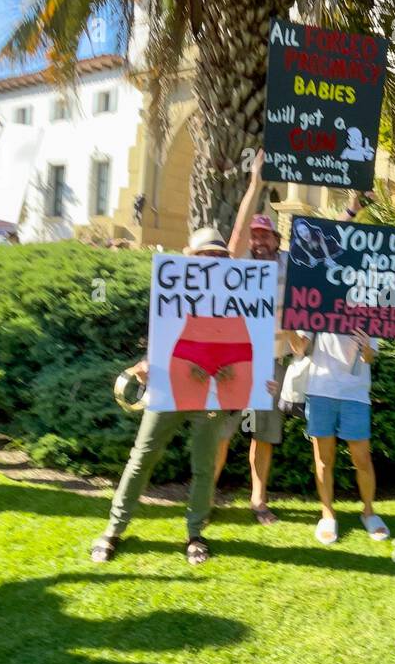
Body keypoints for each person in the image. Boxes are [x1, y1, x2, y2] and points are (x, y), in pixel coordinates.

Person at [91, 227, 240, 566]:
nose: (213, 260)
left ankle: (195, 534)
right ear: (192, 256)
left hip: (210, 392)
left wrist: (242, 374)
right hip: (170, 386)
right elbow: (162, 335)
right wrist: (146, 364)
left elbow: (240, 346)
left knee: (204, 466)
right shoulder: (172, 286)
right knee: (141, 457)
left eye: (219, 255)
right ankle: (113, 529)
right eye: (207, 254)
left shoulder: (235, 298)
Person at [217, 151, 294, 526]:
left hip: (273, 362)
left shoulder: (289, 265)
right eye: (255, 235)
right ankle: (206, 495)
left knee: (263, 435)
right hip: (235, 361)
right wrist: (255, 183)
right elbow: (234, 236)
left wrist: (350, 215)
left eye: (266, 235)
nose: (260, 240)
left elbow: (330, 258)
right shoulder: (241, 263)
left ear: (278, 240)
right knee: (221, 432)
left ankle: (258, 500)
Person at [292, 325, 388, 545]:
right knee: (324, 460)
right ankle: (327, 514)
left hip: (355, 394)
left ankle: (369, 512)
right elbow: (298, 348)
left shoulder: (367, 309)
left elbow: (370, 358)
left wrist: (366, 348)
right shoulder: (318, 303)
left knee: (362, 459)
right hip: (321, 391)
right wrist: (288, 325)